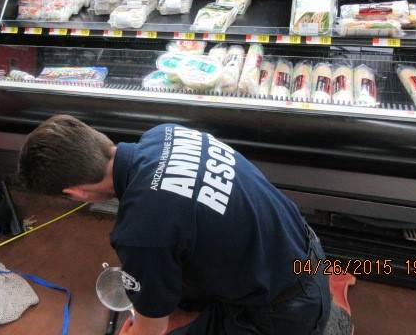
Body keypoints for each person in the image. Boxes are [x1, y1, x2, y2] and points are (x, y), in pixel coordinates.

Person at [18, 115, 330, 335]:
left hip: (285, 314)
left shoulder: (140, 232)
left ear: (76, 193)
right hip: (304, 255)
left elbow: (151, 329)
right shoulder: (164, 133)